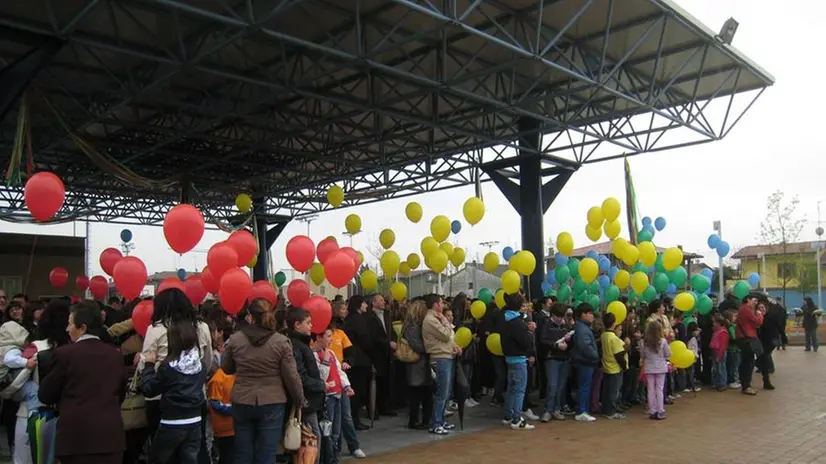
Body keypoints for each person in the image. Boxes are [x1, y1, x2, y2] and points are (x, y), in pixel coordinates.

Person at [38, 301, 126, 464]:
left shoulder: (65, 354)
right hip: (110, 437)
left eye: (70, 324)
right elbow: (121, 392)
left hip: (75, 438)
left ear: (82, 328)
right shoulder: (115, 355)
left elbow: (46, 394)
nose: (66, 329)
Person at [222, 299, 304, 464]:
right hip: (272, 400)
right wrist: (299, 399)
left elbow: (226, 368)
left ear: (250, 317)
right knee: (267, 453)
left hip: (242, 399)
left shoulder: (236, 339)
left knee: (242, 452)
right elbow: (291, 376)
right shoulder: (280, 342)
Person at [140, 318, 207, 464]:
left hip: (171, 422)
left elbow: (149, 389)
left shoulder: (168, 367)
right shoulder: (200, 365)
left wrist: (149, 366)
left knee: (158, 459)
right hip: (195, 421)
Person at [286, 307, 326, 452]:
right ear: (297, 324)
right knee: (312, 440)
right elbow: (299, 376)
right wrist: (321, 385)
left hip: (309, 399)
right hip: (305, 400)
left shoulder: (302, 344)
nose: (311, 326)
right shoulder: (296, 346)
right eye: (308, 323)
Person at [314, 327, 356, 464]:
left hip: (338, 394)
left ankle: (335, 457)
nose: (331, 339)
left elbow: (339, 372)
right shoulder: (314, 355)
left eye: (331, 336)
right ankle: (328, 458)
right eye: (328, 336)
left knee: (337, 431)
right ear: (319, 338)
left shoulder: (331, 352)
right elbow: (321, 377)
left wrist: (346, 386)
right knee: (328, 430)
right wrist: (325, 361)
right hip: (327, 398)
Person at [422, 293, 456, 435]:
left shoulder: (436, 318)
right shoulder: (430, 319)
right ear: (435, 305)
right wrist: (446, 322)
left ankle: (440, 420)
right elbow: (446, 334)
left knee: (446, 391)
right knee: (441, 392)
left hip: (446, 355)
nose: (443, 306)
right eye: (441, 303)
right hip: (439, 357)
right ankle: (435, 423)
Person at [500, 292, 535, 431]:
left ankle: (508, 415)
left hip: (509, 358)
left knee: (511, 388)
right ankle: (517, 418)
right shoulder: (517, 323)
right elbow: (525, 341)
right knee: (519, 390)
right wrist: (530, 331)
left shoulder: (506, 319)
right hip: (519, 359)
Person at [341, 296, 372, 429]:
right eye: (364, 303)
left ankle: (351, 419)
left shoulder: (348, 319)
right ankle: (355, 420)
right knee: (357, 391)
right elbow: (364, 339)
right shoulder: (359, 320)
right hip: (360, 359)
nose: (366, 305)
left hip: (351, 358)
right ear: (359, 304)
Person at [402, 300, 432, 431]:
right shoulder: (412, 327)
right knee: (418, 394)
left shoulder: (413, 325)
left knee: (423, 394)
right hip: (417, 364)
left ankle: (423, 420)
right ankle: (414, 421)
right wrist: (430, 348)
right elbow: (417, 345)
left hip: (420, 365)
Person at [538, 303, 571, 423]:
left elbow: (570, 342)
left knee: (560, 386)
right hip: (551, 358)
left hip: (564, 358)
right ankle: (548, 410)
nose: (560, 319)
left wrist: (568, 340)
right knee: (552, 385)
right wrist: (555, 345)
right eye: (558, 316)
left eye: (562, 316)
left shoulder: (565, 326)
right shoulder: (546, 325)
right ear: (553, 315)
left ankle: (556, 409)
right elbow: (542, 341)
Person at [569, 303, 599, 423]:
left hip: (585, 361)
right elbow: (585, 346)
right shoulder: (582, 329)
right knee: (584, 387)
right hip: (584, 361)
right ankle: (581, 410)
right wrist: (595, 355)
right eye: (589, 313)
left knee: (585, 386)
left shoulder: (584, 327)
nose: (592, 316)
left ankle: (583, 410)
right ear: (582, 314)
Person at [641, 320, 671, 420]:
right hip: (661, 368)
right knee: (659, 389)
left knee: (650, 390)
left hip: (649, 368)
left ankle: (652, 411)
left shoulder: (644, 342)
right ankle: (660, 410)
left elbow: (643, 355)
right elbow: (668, 354)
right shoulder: (663, 341)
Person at [600, 312, 627, 420]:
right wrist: (624, 366)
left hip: (606, 366)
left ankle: (606, 410)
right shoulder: (614, 338)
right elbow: (619, 355)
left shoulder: (604, 335)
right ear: (614, 323)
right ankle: (611, 411)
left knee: (607, 390)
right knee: (614, 392)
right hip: (615, 368)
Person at [207, 358, 235, 464]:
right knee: (228, 457)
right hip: (225, 429)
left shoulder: (238, 375)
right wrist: (237, 410)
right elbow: (215, 404)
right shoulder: (218, 378)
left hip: (236, 427)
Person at [735, 295, 764, 396]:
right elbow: (758, 321)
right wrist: (759, 314)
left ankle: (745, 384)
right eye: (754, 300)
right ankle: (746, 385)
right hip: (747, 337)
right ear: (748, 300)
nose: (756, 303)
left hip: (745, 337)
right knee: (748, 362)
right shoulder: (746, 309)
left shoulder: (743, 309)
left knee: (747, 362)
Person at [709, 315, 730, 391]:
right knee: (715, 369)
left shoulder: (723, 332)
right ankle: (716, 383)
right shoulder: (716, 331)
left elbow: (723, 346)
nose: (713, 324)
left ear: (719, 323)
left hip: (720, 352)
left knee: (721, 369)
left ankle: (722, 384)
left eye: (714, 322)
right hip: (714, 351)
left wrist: (719, 356)